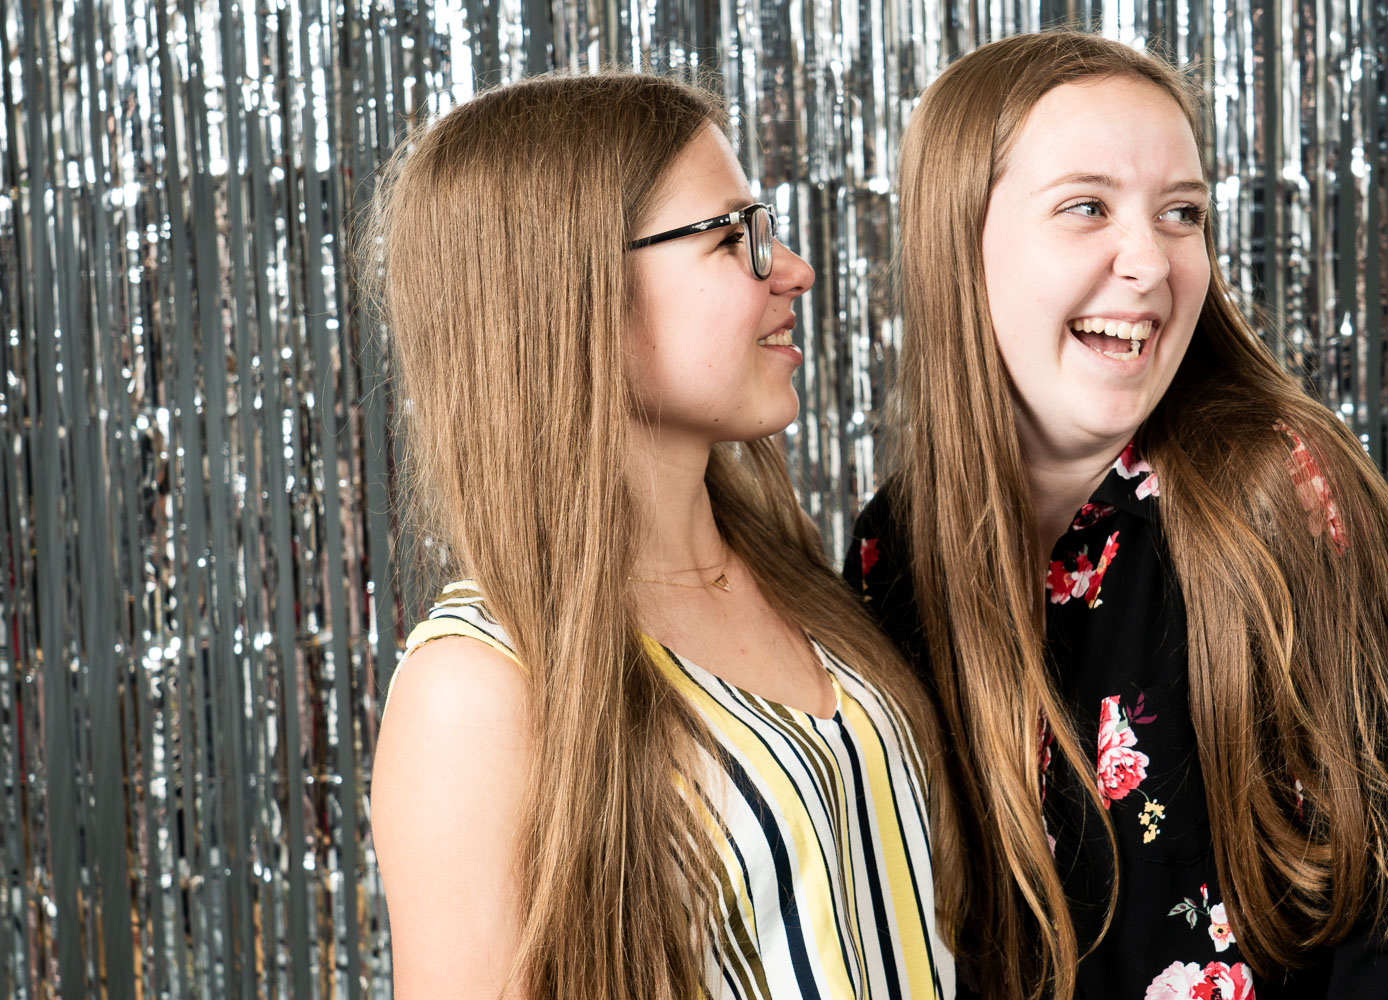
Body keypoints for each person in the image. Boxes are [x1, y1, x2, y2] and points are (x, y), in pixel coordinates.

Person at [844, 31, 1388, 1000]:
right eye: (1086, 207)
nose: (1149, 261)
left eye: (1182, 213)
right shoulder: (894, 547)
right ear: (957, 242)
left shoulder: (1281, 494)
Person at [365, 73, 958, 1000]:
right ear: (566, 292)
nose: (794, 269)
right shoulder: (474, 692)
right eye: (732, 237)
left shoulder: (792, 568)